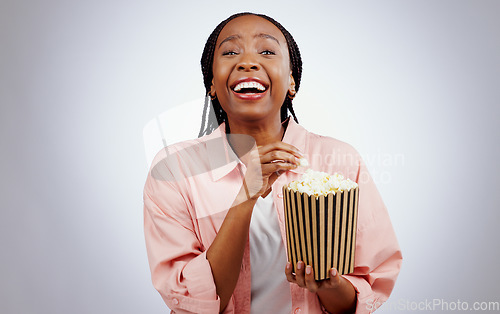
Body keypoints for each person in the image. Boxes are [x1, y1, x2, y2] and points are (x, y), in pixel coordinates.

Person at [143, 12, 402, 314]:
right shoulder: (176, 169)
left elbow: (361, 296)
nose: (248, 62)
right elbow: (191, 303)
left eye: (267, 51)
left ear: (292, 80)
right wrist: (245, 198)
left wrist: (330, 285)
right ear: (212, 84)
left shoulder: (340, 162)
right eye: (230, 52)